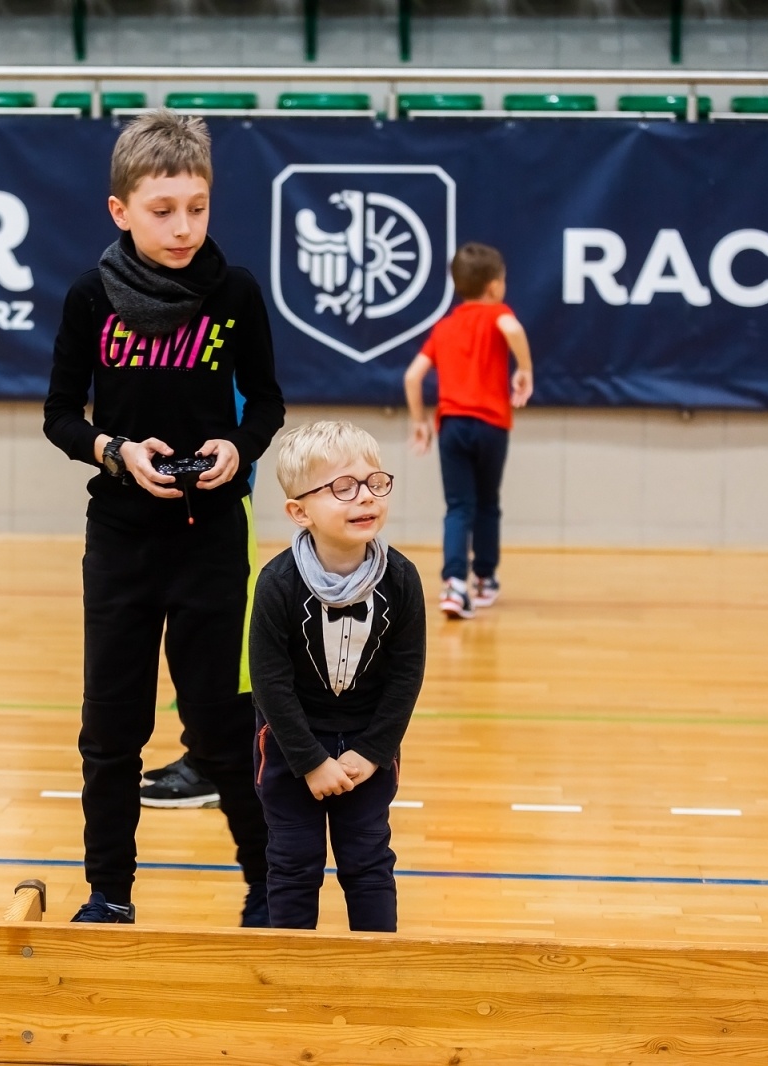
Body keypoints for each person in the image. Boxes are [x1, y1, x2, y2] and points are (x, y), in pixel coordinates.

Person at [43, 110, 284, 925]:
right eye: (162, 209)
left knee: (222, 729)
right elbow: (60, 418)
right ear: (121, 211)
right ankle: (109, 895)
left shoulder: (235, 293)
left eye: (197, 206)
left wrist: (234, 446)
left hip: (212, 537)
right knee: (111, 733)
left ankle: (269, 885)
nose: (184, 226)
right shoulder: (88, 297)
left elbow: (269, 406)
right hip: (119, 538)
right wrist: (115, 451)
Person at [249, 421, 426, 931]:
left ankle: (375, 974)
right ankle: (290, 974)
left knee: (368, 861)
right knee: (293, 864)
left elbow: (406, 675)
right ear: (299, 512)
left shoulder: (401, 578)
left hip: (369, 745)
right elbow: (269, 682)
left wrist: (371, 753)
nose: (363, 499)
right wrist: (309, 762)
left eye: (374, 483)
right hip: (290, 746)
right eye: (342, 488)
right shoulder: (278, 584)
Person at [403, 242, 533, 619]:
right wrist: (524, 369)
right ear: (494, 287)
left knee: (459, 506)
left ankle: (454, 585)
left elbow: (413, 377)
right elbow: (513, 328)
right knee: (487, 503)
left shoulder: (444, 327)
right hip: (492, 426)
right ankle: (485, 579)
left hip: (453, 426)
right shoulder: (498, 314)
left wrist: (418, 422)